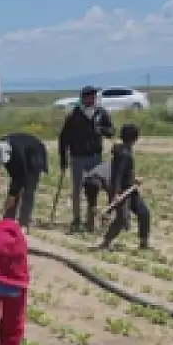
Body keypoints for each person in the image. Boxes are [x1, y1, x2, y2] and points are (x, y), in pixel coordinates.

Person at [59, 85, 115, 233]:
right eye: (89, 96)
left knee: (93, 187)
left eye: (94, 95)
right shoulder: (73, 115)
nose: (92, 98)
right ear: (83, 98)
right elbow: (63, 138)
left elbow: (111, 131)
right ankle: (76, 218)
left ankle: (90, 220)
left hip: (95, 156)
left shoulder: (101, 113)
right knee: (77, 189)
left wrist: (101, 130)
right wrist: (63, 158)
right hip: (77, 157)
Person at [97, 123, 150, 251]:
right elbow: (118, 174)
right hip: (122, 191)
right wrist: (116, 193)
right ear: (134, 137)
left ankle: (144, 243)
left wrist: (134, 179)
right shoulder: (124, 153)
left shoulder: (125, 150)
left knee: (144, 213)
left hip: (130, 189)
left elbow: (124, 172)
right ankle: (106, 242)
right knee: (121, 219)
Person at [0, 133, 48, 230]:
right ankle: (8, 220)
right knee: (15, 189)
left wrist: (11, 196)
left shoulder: (15, 155)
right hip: (24, 152)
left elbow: (19, 177)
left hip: (35, 156)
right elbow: (15, 175)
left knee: (28, 189)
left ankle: (23, 222)